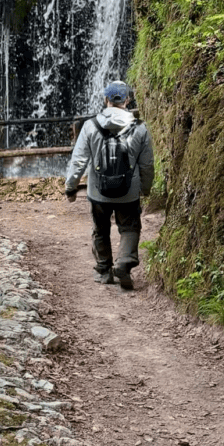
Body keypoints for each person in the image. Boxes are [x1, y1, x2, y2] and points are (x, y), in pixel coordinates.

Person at [64, 81, 154, 291]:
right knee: (130, 227)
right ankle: (124, 263)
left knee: (100, 229)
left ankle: (104, 271)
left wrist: (71, 187)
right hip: (129, 191)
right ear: (127, 100)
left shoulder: (90, 125)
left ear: (105, 100)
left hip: (98, 192)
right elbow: (147, 164)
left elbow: (78, 161)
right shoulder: (140, 128)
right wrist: (146, 187)